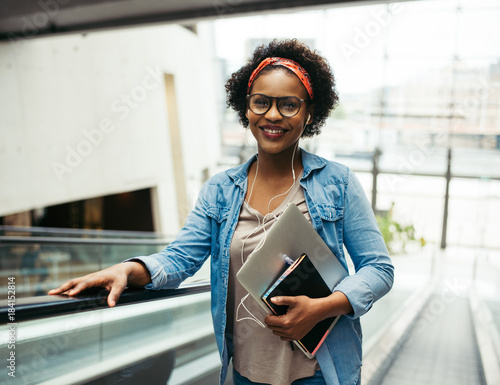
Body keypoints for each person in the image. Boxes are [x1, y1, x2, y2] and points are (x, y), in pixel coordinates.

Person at [50, 39, 394, 385]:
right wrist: (129, 269)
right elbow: (180, 259)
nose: (272, 115)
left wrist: (323, 307)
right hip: (245, 372)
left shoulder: (338, 183)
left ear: (309, 112)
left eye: (289, 105)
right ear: (246, 108)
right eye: (261, 102)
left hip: (320, 371)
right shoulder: (220, 189)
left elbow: (379, 269)